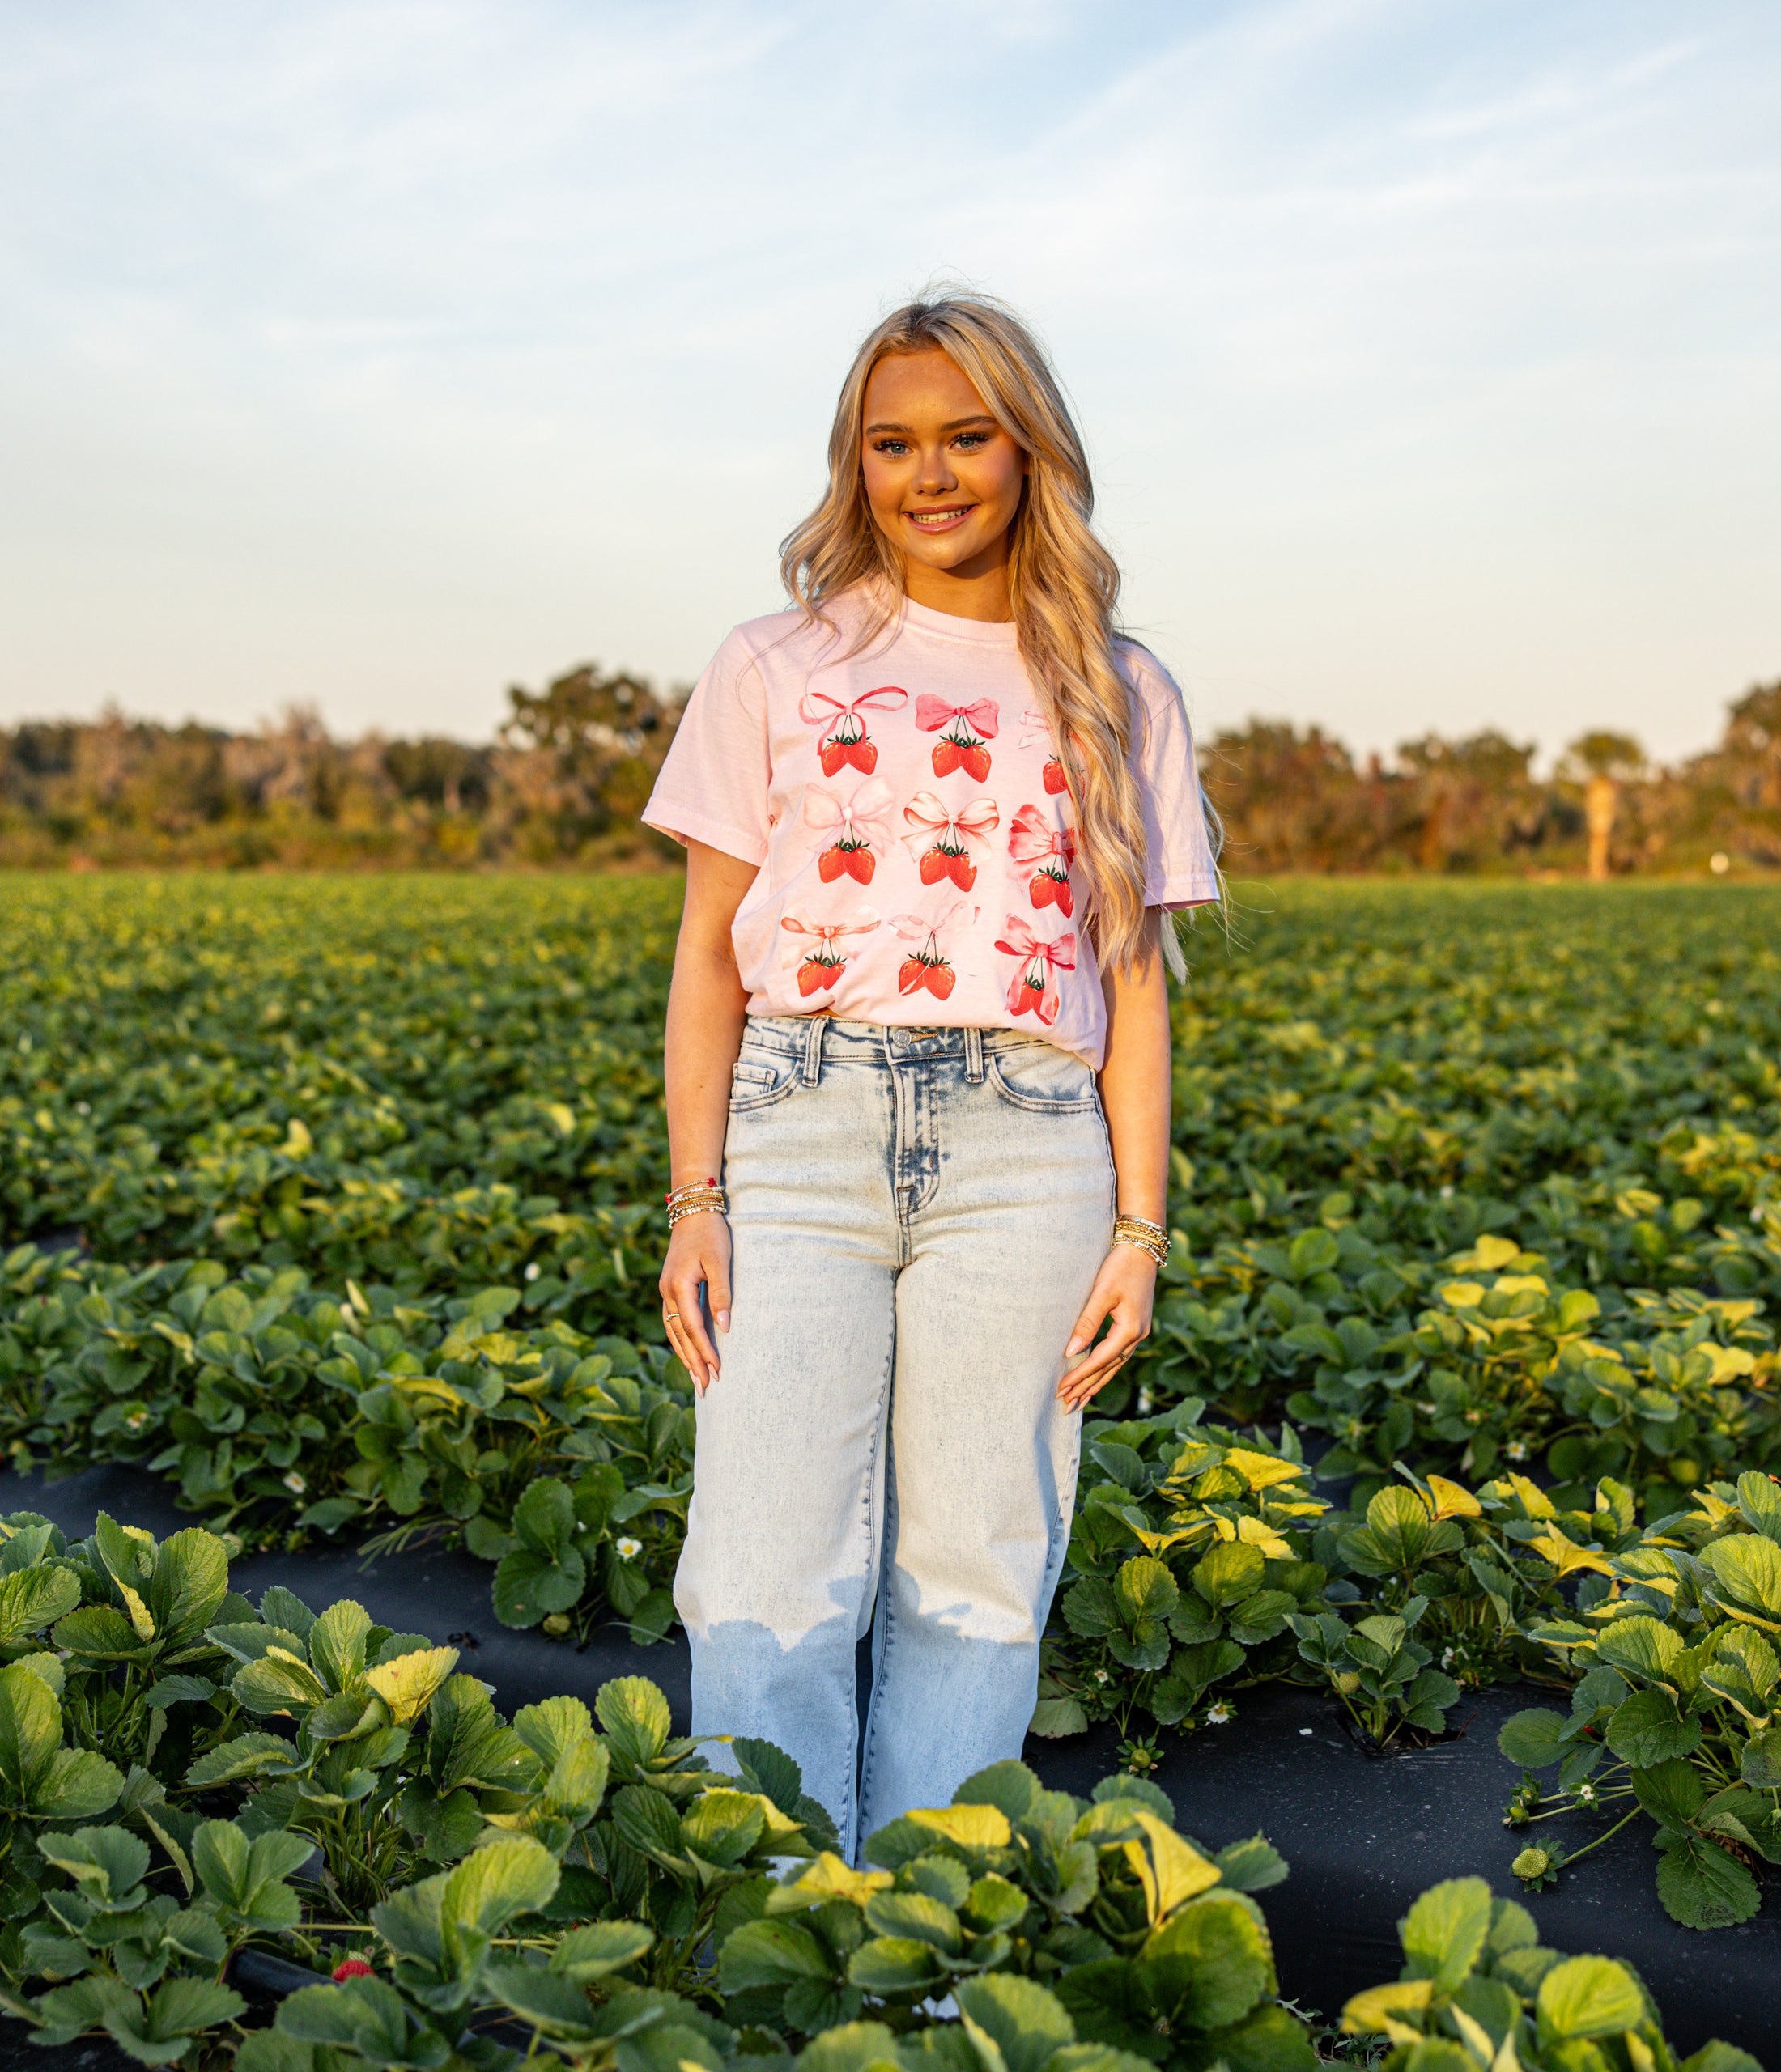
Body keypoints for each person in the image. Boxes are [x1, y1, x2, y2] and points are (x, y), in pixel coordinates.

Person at [639, 291, 1223, 1850]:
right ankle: (777, 1950)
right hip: (800, 1126)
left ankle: (924, 1956)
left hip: (1032, 1149)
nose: (933, 474)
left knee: (977, 1563)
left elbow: (1135, 990)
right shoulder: (774, 663)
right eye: (894, 444)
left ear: (1031, 451)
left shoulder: (1121, 684)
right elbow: (706, 956)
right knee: (763, 1560)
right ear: (857, 465)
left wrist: (1139, 1230)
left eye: (969, 437)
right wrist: (695, 1200)